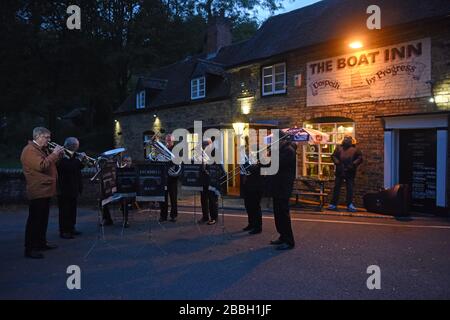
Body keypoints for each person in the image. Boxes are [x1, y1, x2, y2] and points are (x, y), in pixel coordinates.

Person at [21, 127, 64, 259]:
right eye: (47, 137)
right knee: (35, 220)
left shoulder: (41, 149)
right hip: (38, 190)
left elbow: (50, 164)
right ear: (38, 136)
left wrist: (59, 155)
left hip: (45, 190)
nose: (49, 140)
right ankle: (30, 249)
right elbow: (41, 166)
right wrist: (54, 154)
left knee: (43, 219)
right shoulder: (29, 150)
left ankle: (40, 243)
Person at [270, 137, 296, 250]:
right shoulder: (281, 150)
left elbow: (277, 164)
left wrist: (271, 154)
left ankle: (289, 240)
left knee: (283, 214)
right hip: (277, 185)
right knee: (278, 213)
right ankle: (282, 236)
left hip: (284, 187)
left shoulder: (289, 151)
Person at [57, 137, 84, 239]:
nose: (77, 147)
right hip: (64, 187)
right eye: (76, 145)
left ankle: (71, 228)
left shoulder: (73, 154)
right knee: (65, 211)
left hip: (74, 187)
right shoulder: (61, 154)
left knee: (72, 210)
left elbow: (76, 167)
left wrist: (82, 161)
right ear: (72, 145)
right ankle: (64, 231)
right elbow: (68, 167)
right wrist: (79, 159)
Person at [328, 135, 363, 212]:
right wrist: (337, 162)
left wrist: (353, 164)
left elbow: (360, 158)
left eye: (348, 139)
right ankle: (333, 204)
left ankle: (349, 204)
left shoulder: (355, 149)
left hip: (350, 171)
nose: (346, 141)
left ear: (351, 140)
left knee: (349, 189)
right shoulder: (339, 148)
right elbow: (333, 156)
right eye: (345, 139)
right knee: (337, 188)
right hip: (340, 171)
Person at [102, 155, 133, 227]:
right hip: (117, 193)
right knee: (103, 200)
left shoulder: (133, 170)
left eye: (129, 161)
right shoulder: (117, 171)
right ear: (122, 162)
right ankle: (107, 219)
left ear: (131, 162)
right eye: (125, 161)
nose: (127, 163)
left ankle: (126, 221)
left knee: (124, 199)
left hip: (129, 194)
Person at [241, 141, 263, 235]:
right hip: (249, 185)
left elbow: (256, 170)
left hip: (257, 186)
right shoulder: (251, 159)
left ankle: (257, 227)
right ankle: (251, 223)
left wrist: (248, 166)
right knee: (248, 205)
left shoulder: (261, 160)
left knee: (255, 207)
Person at [159, 134, 179, 222]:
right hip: (164, 177)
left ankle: (173, 215)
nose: (168, 142)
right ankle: (163, 216)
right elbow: (159, 160)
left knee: (173, 198)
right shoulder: (163, 150)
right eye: (167, 141)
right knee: (163, 198)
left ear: (173, 141)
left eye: (169, 141)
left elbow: (178, 162)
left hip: (173, 177)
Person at [198, 139, 218, 225]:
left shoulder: (215, 152)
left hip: (212, 179)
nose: (204, 146)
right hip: (203, 179)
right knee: (203, 199)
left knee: (212, 199)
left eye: (206, 144)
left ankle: (214, 217)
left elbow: (216, 165)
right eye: (203, 145)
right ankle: (205, 216)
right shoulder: (202, 153)